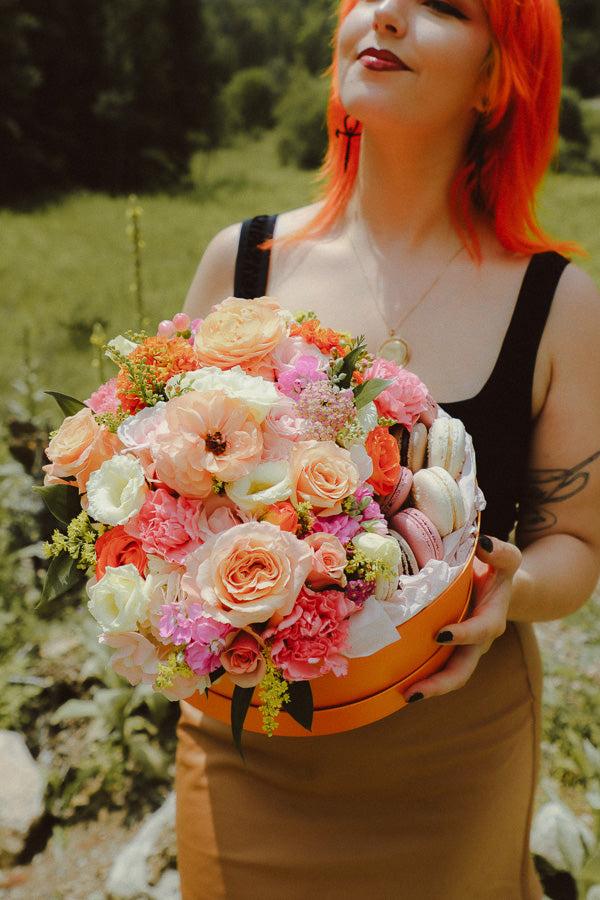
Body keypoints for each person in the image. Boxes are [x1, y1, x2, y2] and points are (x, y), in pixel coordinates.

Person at [177, 1, 600, 897]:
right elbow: (166, 478)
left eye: (443, 5)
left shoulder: (561, 304)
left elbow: (577, 545)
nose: (389, 14)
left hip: (447, 746)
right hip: (245, 739)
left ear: (498, 77)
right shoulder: (242, 263)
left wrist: (505, 584)